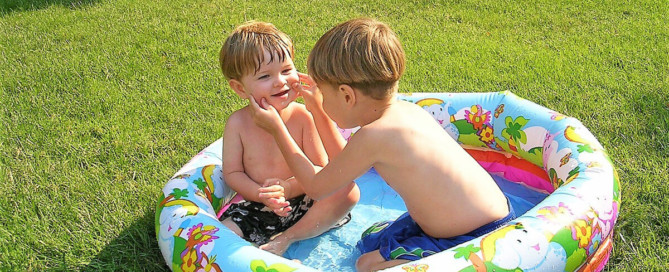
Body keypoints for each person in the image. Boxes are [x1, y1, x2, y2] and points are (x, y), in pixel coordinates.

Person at [247, 18, 516, 271]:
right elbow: (343, 164)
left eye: (325, 97)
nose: (323, 103)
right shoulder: (404, 113)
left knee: (366, 265)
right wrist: (318, 109)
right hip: (488, 216)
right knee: (370, 240)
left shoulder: (375, 136)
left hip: (475, 239)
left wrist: (277, 129)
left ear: (347, 95)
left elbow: (318, 188)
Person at [218, 21, 360, 256]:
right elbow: (233, 173)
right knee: (223, 235)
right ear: (240, 88)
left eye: (286, 70)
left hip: (307, 202)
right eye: (265, 76)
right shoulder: (237, 124)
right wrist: (260, 194)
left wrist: (288, 187)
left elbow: (322, 170)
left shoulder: (303, 116)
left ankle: (287, 238)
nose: (280, 81)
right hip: (259, 206)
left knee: (347, 192)